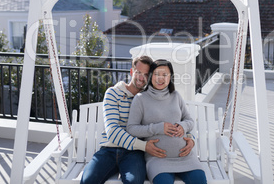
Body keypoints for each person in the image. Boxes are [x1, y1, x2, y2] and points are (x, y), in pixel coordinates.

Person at [80, 56, 194, 184]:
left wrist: (190, 138)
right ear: (131, 72)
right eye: (138, 72)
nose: (141, 78)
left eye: (145, 74)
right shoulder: (113, 93)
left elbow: (173, 119)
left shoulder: (150, 98)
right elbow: (112, 131)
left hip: (134, 153)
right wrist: (144, 146)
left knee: (134, 181)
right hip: (109, 149)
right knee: (87, 180)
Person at [127, 59, 207, 184]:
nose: (160, 78)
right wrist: (158, 128)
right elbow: (132, 128)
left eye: (165, 75)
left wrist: (182, 126)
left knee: (200, 181)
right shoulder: (141, 99)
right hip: (158, 160)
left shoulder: (175, 96)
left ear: (170, 77)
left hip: (185, 157)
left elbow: (189, 120)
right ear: (151, 76)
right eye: (156, 74)